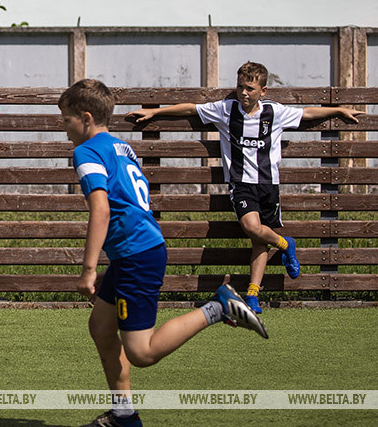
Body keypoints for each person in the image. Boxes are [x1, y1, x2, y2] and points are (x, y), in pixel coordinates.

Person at [60, 79, 269, 427]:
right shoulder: (120, 146)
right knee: (100, 326)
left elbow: (101, 209)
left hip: (135, 254)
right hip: (141, 248)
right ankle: (123, 414)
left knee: (141, 352)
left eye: (65, 120)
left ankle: (219, 307)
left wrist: (88, 269)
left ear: (85, 118)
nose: (64, 128)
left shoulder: (86, 151)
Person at [127, 61, 364, 313]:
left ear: (263, 91)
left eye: (250, 88)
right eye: (240, 86)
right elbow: (191, 110)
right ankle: (285, 244)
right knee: (251, 227)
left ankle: (252, 295)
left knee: (259, 241)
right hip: (241, 184)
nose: (243, 93)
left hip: (268, 184)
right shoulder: (226, 110)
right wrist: (155, 112)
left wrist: (338, 109)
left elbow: (306, 114)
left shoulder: (274, 112)